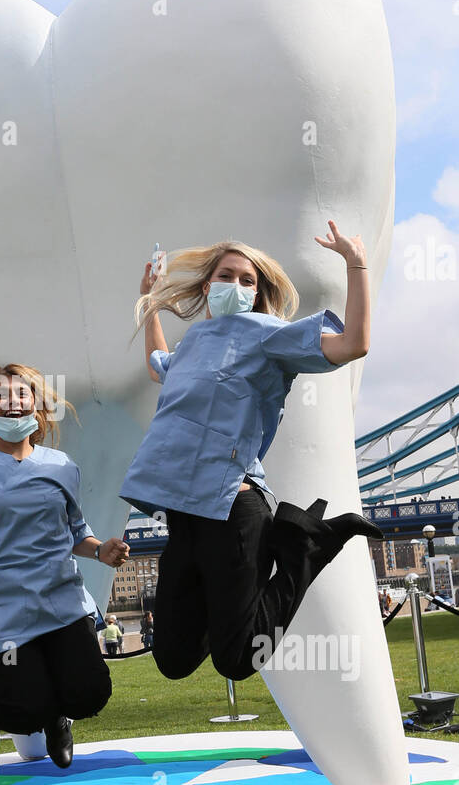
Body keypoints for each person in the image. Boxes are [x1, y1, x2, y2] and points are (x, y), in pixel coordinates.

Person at [119, 221, 384, 685]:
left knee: (238, 660)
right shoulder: (193, 344)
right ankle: (235, 605)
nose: (236, 285)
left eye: (248, 280)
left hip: (234, 507)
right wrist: (150, 301)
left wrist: (356, 264)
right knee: (172, 660)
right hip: (183, 515)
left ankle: (306, 546)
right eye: (226, 275)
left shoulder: (267, 334)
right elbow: (159, 364)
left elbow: (353, 345)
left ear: (258, 293)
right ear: (208, 284)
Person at [0, 366, 128, 778]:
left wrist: (101, 550)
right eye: (0, 395)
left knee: (91, 694)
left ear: (37, 405)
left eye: (23, 393)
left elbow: (75, 532)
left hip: (60, 601)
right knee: (24, 707)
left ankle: (58, 717)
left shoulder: (62, 466)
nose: (13, 401)